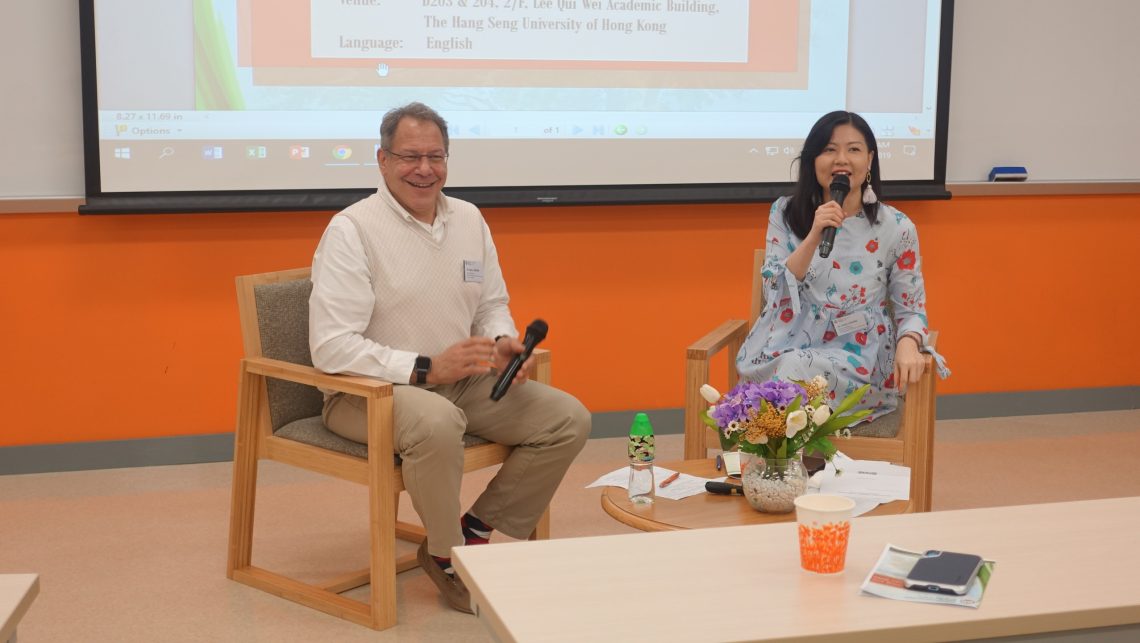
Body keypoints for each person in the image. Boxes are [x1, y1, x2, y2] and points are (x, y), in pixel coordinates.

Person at [308, 102, 591, 614]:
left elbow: (491, 304)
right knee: (438, 422)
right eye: (409, 156)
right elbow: (331, 347)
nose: (424, 169)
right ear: (381, 160)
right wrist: (424, 368)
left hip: (458, 381)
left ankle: (473, 532)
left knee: (567, 418)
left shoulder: (469, 217)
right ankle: (447, 556)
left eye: (435, 156)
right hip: (365, 393)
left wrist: (502, 340)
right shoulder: (352, 231)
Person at [737, 110, 949, 423]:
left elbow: (911, 309)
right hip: (786, 342)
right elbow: (774, 291)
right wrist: (813, 235)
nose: (841, 160)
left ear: (870, 160)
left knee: (790, 378)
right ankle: (789, 462)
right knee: (789, 369)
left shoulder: (898, 227)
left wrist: (908, 343)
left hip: (857, 356)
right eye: (829, 150)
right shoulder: (784, 212)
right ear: (813, 160)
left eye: (853, 149)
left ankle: (783, 463)